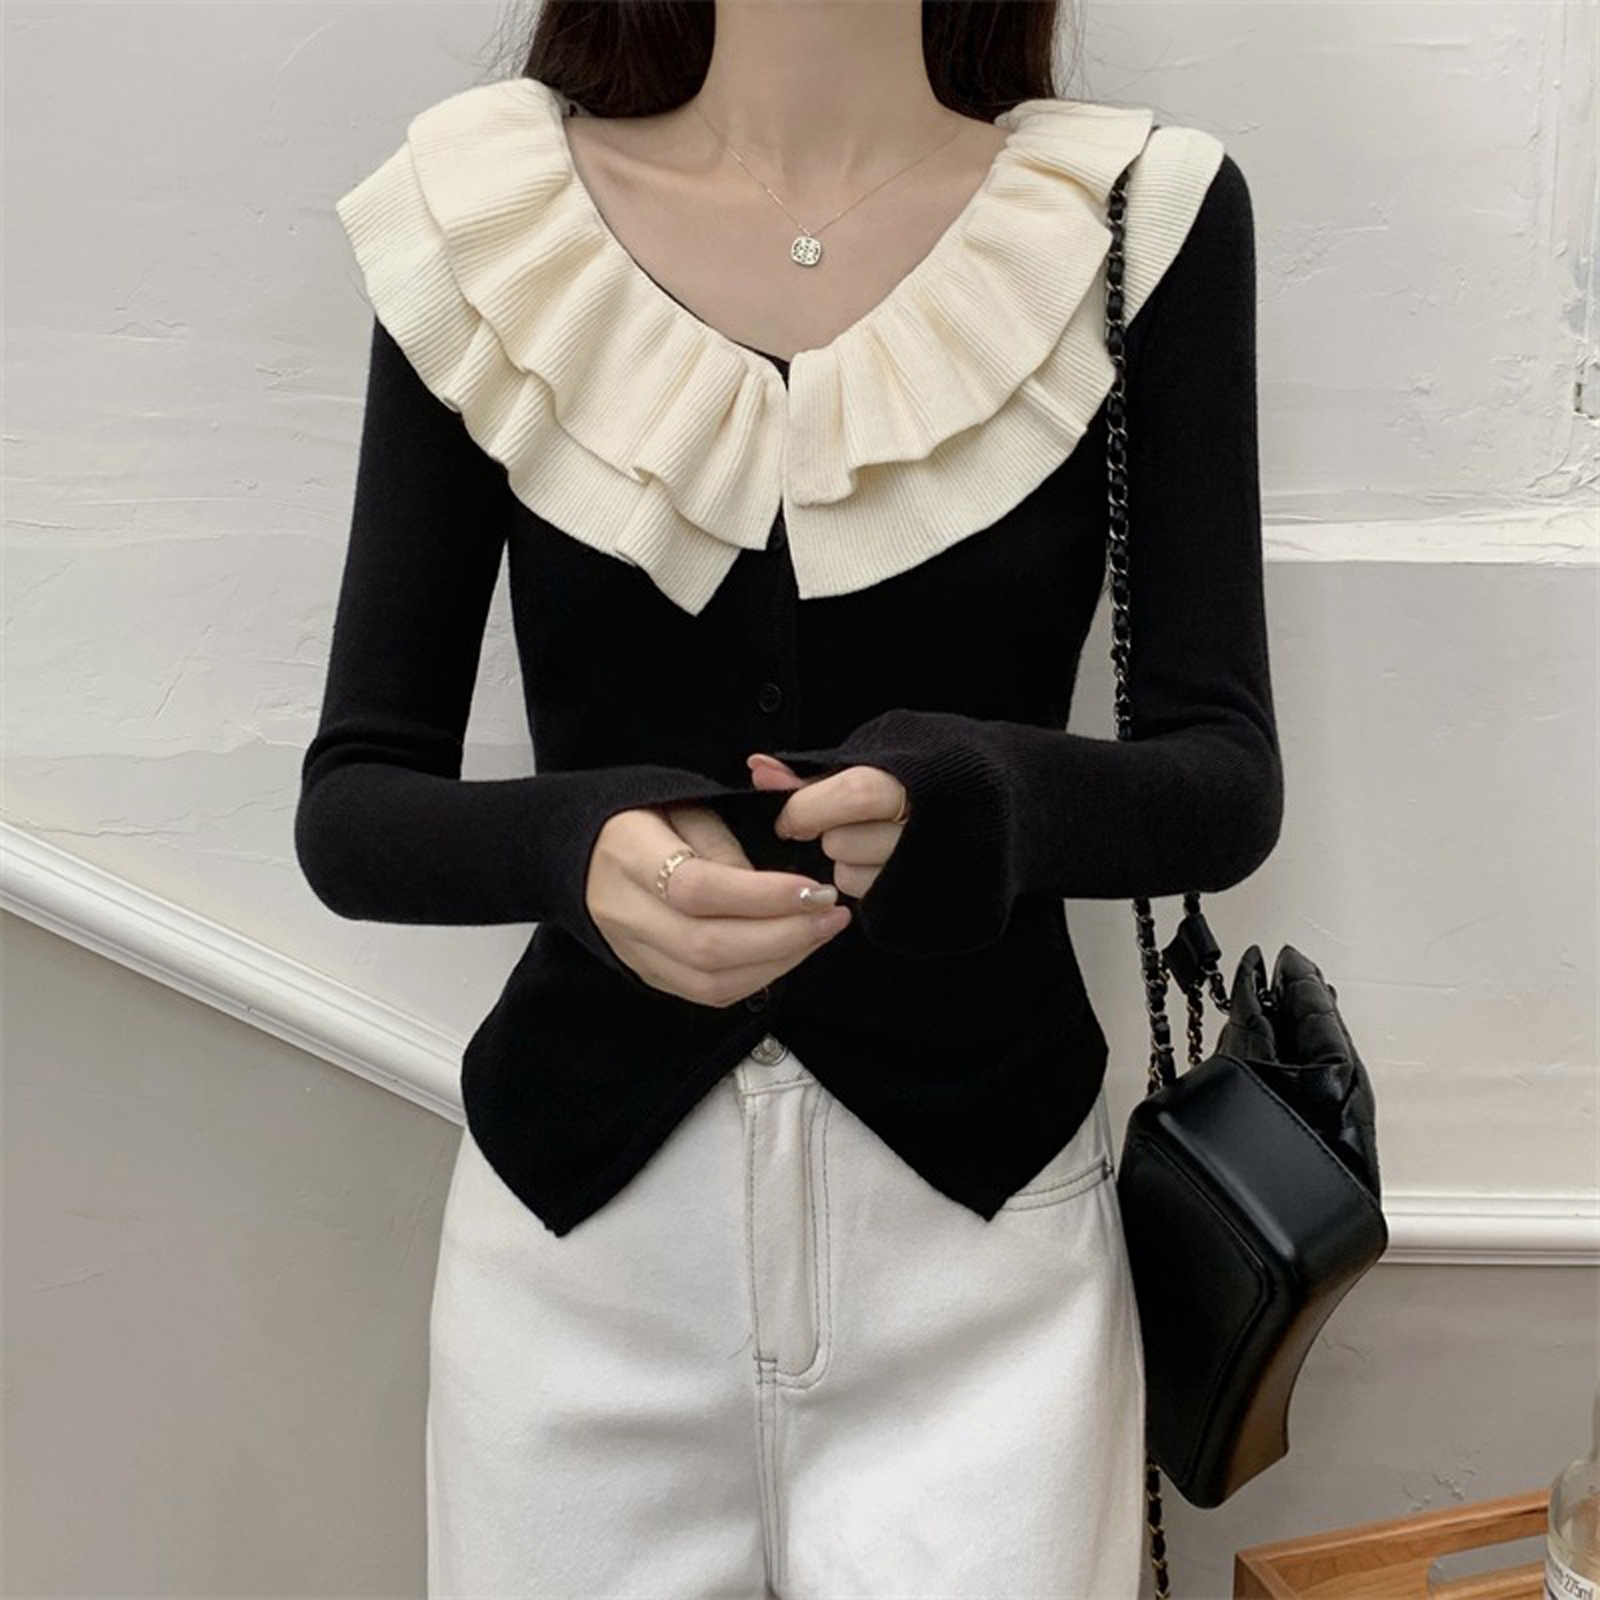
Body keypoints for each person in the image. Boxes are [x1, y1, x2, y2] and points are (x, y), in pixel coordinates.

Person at [296, 2, 1283, 1594]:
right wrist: (575, 847)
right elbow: (353, 806)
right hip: (578, 1265)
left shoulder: (1129, 219)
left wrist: (986, 800)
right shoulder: (491, 219)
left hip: (985, 1266)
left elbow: (1223, 780)